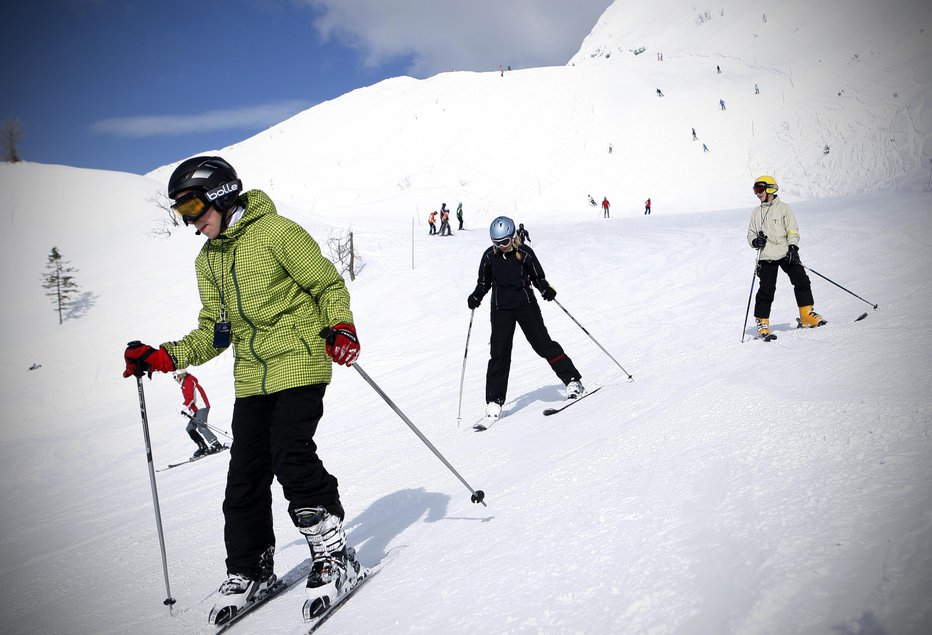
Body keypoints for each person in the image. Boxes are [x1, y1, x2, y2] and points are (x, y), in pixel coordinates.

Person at [121, 155, 364, 624]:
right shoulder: (207, 260)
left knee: (290, 456)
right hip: (251, 376)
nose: (191, 221)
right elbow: (215, 332)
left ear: (220, 193)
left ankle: (334, 555)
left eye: (192, 206)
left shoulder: (277, 233)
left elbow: (327, 284)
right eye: (181, 213)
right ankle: (250, 568)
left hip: (300, 360)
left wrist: (341, 326)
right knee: (245, 474)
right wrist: (163, 356)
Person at [467, 217, 583, 422]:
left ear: (513, 237)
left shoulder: (526, 254)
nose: (501, 246)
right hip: (500, 310)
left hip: (526, 306)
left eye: (505, 242)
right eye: (497, 243)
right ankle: (494, 401)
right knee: (499, 354)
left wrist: (546, 289)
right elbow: (483, 282)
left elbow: (539, 278)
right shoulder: (488, 257)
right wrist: (476, 295)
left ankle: (572, 380)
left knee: (543, 345)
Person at [747, 175, 826, 338]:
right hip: (767, 255)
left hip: (785, 253)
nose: (757, 194)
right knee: (766, 289)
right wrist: (756, 241)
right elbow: (750, 234)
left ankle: (806, 315)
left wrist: (793, 248)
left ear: (770, 189)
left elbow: (792, 230)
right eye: (755, 190)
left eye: (760, 189)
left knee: (802, 280)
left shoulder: (784, 209)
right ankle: (762, 322)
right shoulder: (756, 213)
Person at [174, 369, 223, 458]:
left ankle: (216, 444)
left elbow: (190, 398)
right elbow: (192, 399)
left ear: (182, 375)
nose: (175, 379)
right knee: (190, 428)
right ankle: (202, 446)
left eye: (176, 376)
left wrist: (184, 407)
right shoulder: (186, 382)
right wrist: (188, 410)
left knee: (201, 426)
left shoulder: (189, 382)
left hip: (202, 407)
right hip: (197, 409)